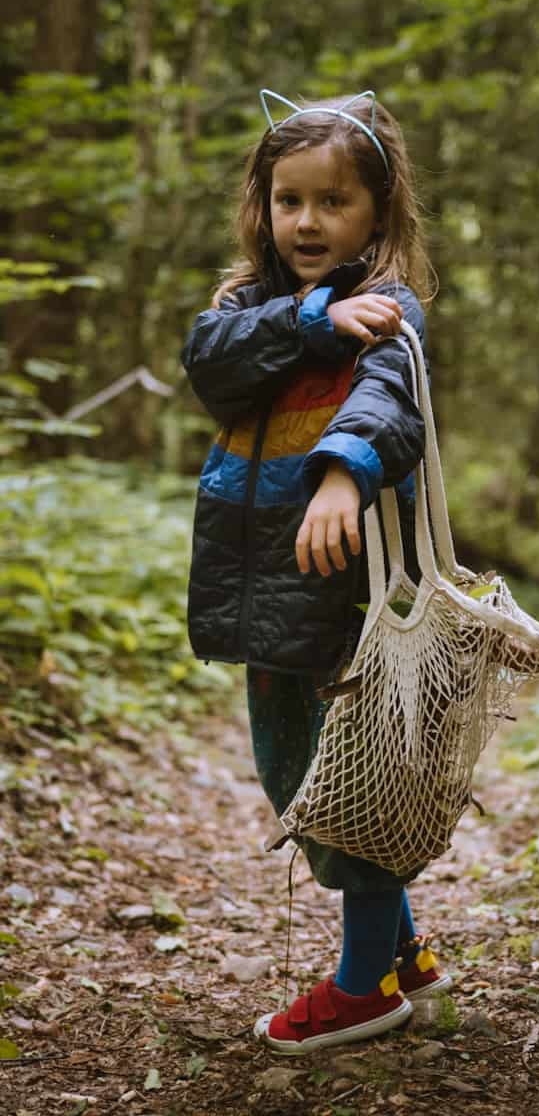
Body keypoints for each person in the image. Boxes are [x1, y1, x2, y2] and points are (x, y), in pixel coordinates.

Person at [180, 90, 453, 1054]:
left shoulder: (392, 310)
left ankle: (361, 985)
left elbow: (390, 400)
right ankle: (401, 947)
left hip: (348, 589)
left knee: (344, 785)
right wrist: (308, 321)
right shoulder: (250, 309)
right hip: (259, 586)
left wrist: (342, 471)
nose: (306, 220)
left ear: (378, 211)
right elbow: (209, 361)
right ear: (261, 206)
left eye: (332, 201)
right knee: (289, 772)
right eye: (287, 199)